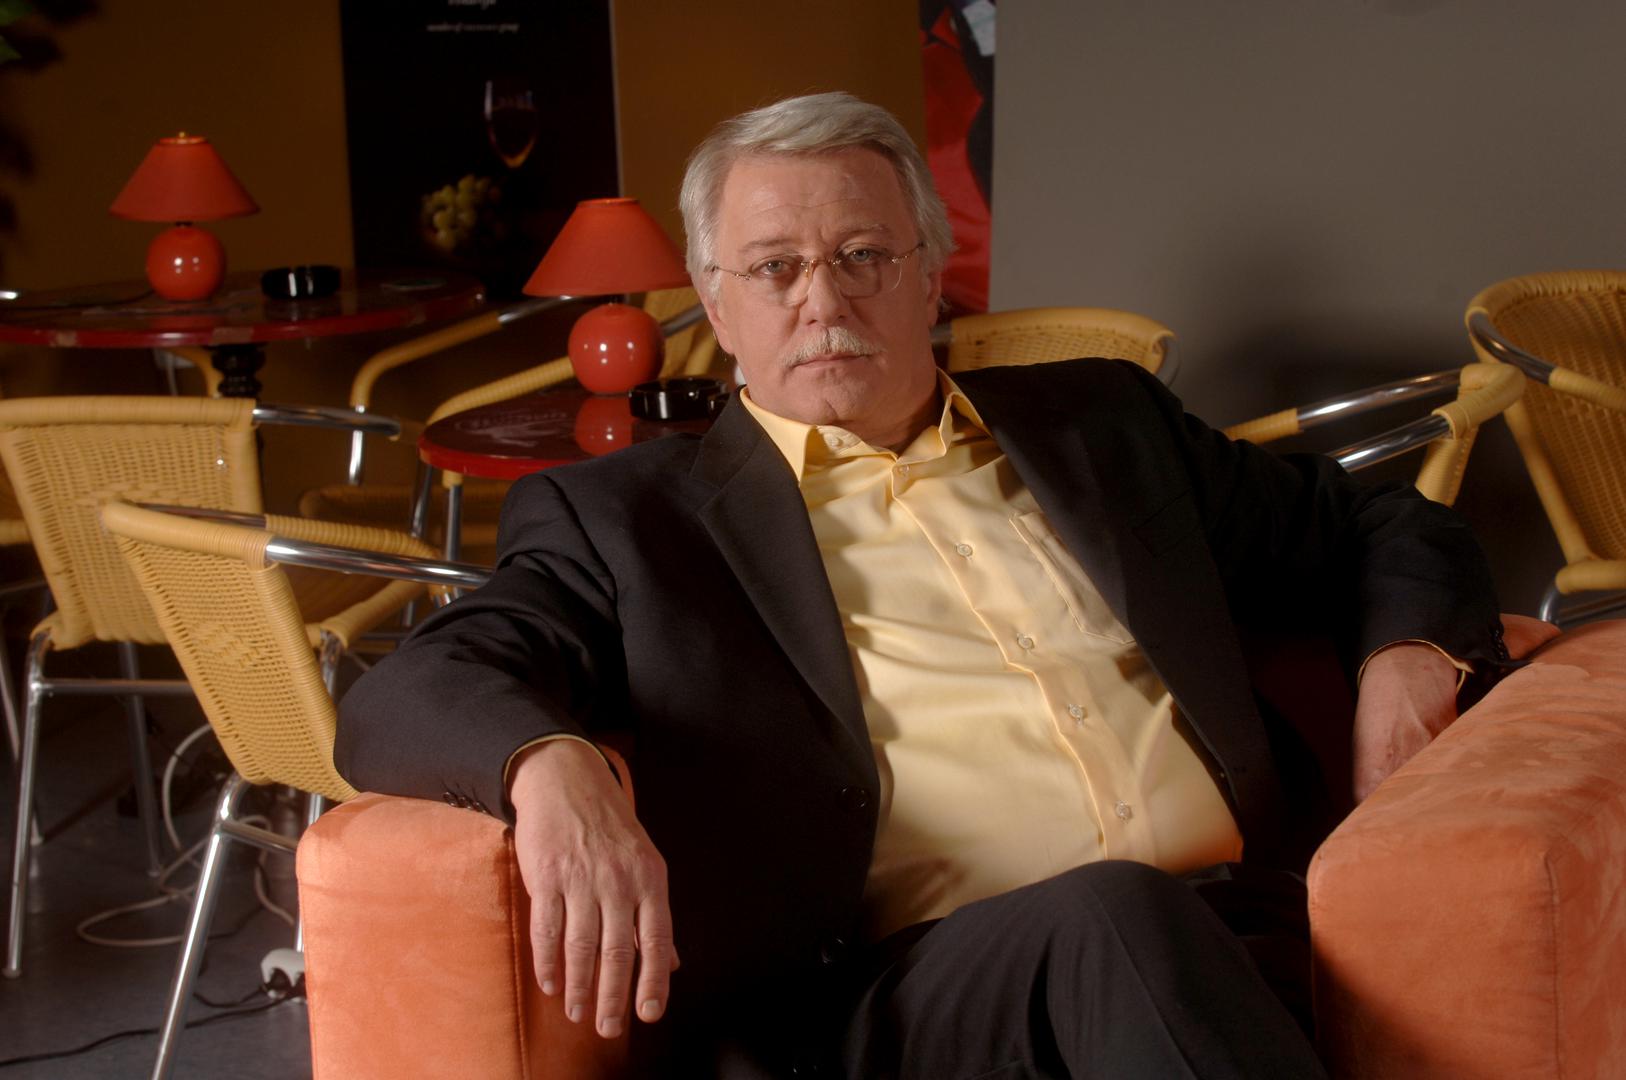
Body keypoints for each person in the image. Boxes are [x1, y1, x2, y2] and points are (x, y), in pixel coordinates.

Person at [336, 92, 1510, 1078]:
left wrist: (1409, 660)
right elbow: (414, 687)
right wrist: (550, 765)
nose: (824, 301)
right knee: (1113, 915)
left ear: (929, 273)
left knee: (1159, 938)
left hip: (1243, 922)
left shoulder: (1103, 423)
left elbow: (1378, 522)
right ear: (718, 303)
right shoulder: (630, 522)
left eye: (862, 256)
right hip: (896, 995)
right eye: (776, 268)